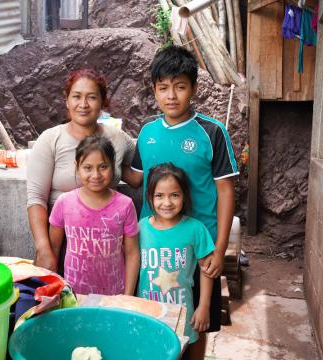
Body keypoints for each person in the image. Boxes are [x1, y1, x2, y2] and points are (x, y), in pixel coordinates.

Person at [124, 45, 238, 358]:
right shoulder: (146, 133)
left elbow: (226, 191)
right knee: (151, 320)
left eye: (180, 87)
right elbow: (135, 178)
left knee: (198, 323)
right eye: (163, 88)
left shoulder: (212, 132)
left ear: (194, 89)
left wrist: (220, 247)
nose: (171, 95)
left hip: (201, 249)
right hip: (154, 249)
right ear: (154, 90)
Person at [27, 69, 135, 273]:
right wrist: (44, 249)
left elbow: (135, 173)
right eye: (76, 96)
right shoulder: (50, 140)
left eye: (92, 97)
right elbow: (36, 198)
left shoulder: (120, 140)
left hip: (107, 246)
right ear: (67, 101)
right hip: (61, 241)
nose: (83, 104)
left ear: (103, 102)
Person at [137, 163, 214, 359]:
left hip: (182, 313)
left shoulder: (195, 229)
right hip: (147, 311)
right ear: (150, 198)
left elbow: (207, 270)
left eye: (174, 195)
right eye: (159, 196)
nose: (167, 202)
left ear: (185, 196)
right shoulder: (140, 228)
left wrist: (203, 306)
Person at [48, 135, 140, 295]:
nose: (96, 175)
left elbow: (132, 253)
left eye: (103, 166)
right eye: (88, 168)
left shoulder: (125, 205)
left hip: (114, 296)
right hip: (74, 296)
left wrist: (128, 296)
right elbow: (54, 249)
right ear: (77, 167)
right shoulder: (64, 202)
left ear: (113, 166)